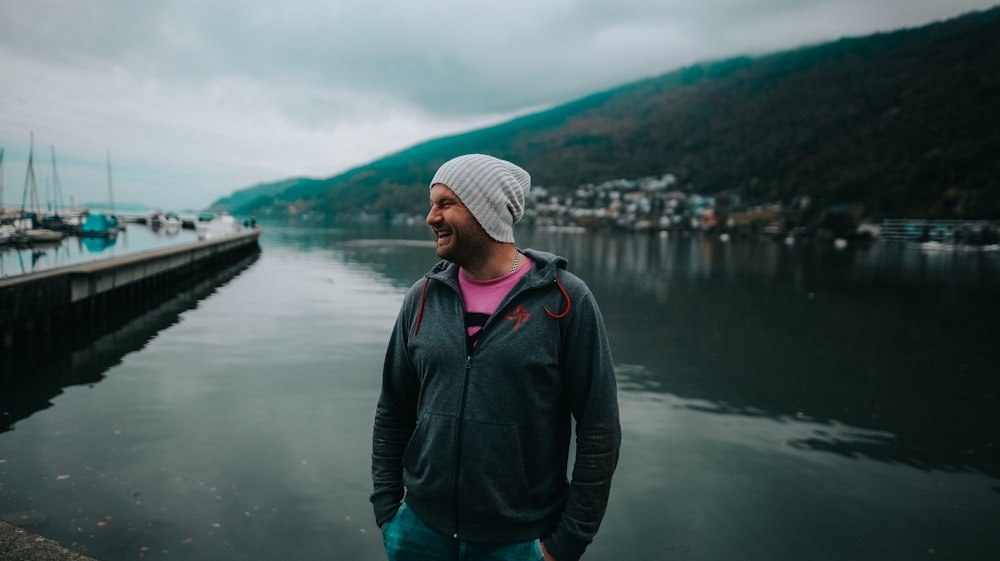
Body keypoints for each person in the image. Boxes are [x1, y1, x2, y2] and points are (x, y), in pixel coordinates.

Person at [371, 154, 621, 561]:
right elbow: (393, 409)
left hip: (520, 543)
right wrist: (388, 510)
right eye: (432, 203)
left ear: (485, 210)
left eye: (445, 203)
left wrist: (567, 543)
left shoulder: (565, 300)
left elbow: (599, 427)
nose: (430, 217)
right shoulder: (422, 297)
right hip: (418, 532)